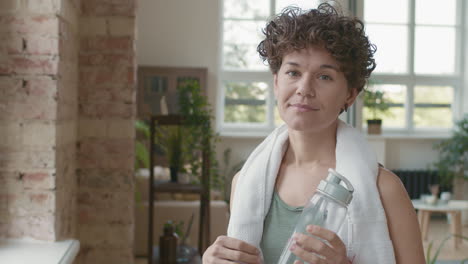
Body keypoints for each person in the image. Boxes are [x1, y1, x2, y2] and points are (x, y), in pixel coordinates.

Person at [203, 3, 425, 264]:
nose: (304, 88)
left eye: (325, 77)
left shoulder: (385, 189)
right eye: (293, 72)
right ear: (276, 82)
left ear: (350, 94)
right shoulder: (244, 182)